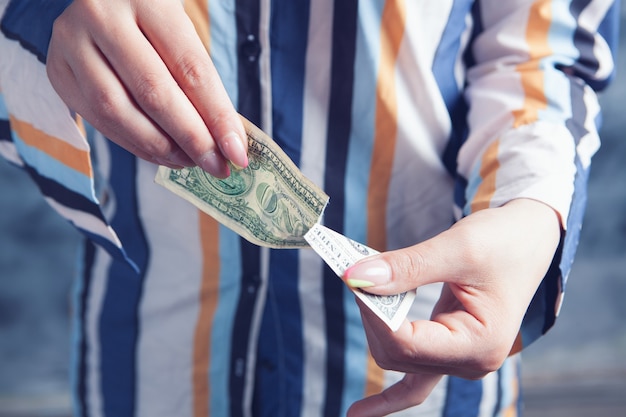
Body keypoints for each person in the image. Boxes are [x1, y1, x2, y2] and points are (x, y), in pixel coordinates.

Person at [0, 0, 618, 415]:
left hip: (428, 354)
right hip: (142, 363)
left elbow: (549, 40)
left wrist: (531, 209)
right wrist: (41, 10)